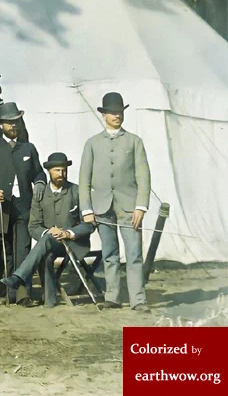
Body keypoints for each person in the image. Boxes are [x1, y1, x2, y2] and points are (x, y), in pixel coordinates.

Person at [79, 92, 152, 313]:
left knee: (133, 254)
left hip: (129, 208)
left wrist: (141, 206)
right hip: (101, 208)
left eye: (120, 112)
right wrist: (87, 209)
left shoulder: (134, 141)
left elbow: (143, 176)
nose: (117, 116)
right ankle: (112, 297)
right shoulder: (92, 143)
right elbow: (84, 179)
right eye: (112, 112)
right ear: (104, 115)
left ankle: (138, 299)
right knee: (109, 254)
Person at [2, 152, 95, 308]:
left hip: (74, 243)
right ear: (48, 171)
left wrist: (68, 233)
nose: (61, 174)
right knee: (46, 250)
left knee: (45, 246)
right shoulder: (40, 194)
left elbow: (90, 224)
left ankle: (19, 277)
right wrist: (48, 232)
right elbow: (33, 227)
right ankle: (49, 302)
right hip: (51, 243)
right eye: (57, 170)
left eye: (64, 170)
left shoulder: (77, 191)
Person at [0, 102, 46, 305]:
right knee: (7, 250)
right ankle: (10, 294)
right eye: (9, 122)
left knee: (23, 249)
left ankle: (24, 294)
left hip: (24, 207)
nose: (13, 126)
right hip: (2, 208)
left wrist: (40, 182)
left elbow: (39, 172)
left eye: (16, 121)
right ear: (1, 125)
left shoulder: (28, 148)